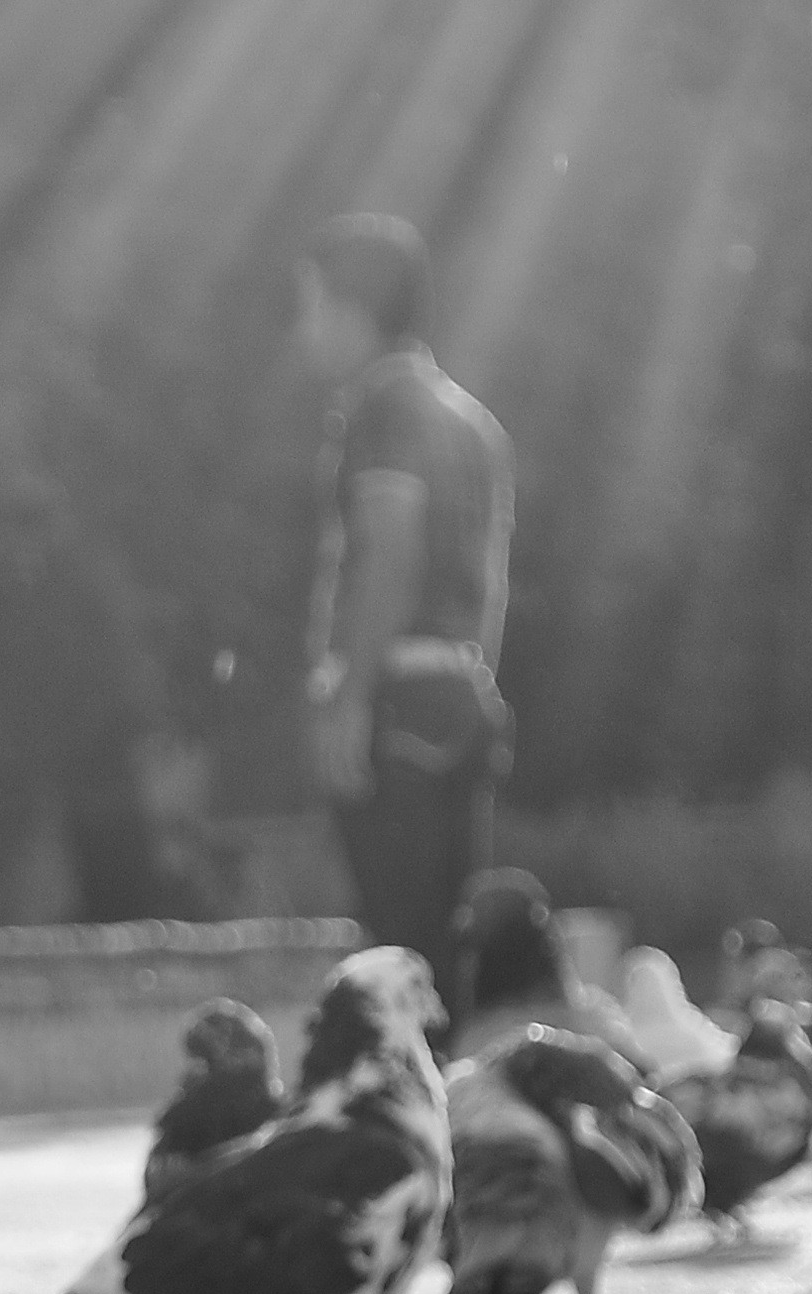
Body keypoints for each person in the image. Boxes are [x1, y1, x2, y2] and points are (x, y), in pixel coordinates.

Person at [298, 213, 515, 992]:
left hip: (396, 710)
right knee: (445, 955)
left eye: (313, 304)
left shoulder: (382, 410)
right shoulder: (469, 421)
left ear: (355, 312)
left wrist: (351, 695)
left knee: (398, 963)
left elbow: (389, 551)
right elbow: (490, 582)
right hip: (461, 699)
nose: (307, 326)